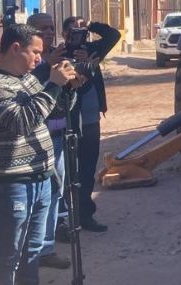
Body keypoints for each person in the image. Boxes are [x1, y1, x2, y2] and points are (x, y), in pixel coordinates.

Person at [0, 24, 77, 285]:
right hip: (12, 183)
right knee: (9, 255)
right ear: (15, 48)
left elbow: (52, 111)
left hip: (42, 178)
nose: (39, 59)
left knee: (32, 253)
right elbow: (22, 121)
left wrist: (67, 89)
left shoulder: (29, 79)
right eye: (35, 52)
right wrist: (53, 86)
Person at [58, 16, 120, 235]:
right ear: (65, 34)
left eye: (82, 30)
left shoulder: (93, 50)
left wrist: (92, 25)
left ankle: (85, 215)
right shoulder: (57, 54)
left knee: (87, 168)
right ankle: (64, 219)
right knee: (66, 170)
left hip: (91, 120)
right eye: (74, 31)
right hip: (68, 120)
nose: (79, 34)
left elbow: (114, 35)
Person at [26, 13, 73, 269]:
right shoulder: (27, 61)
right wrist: (45, 65)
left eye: (51, 28)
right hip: (36, 138)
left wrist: (75, 83)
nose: (48, 32)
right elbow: (27, 88)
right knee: (38, 194)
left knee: (55, 192)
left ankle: (47, 248)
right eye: (42, 28)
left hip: (59, 135)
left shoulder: (59, 54)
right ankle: (32, 251)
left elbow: (63, 98)